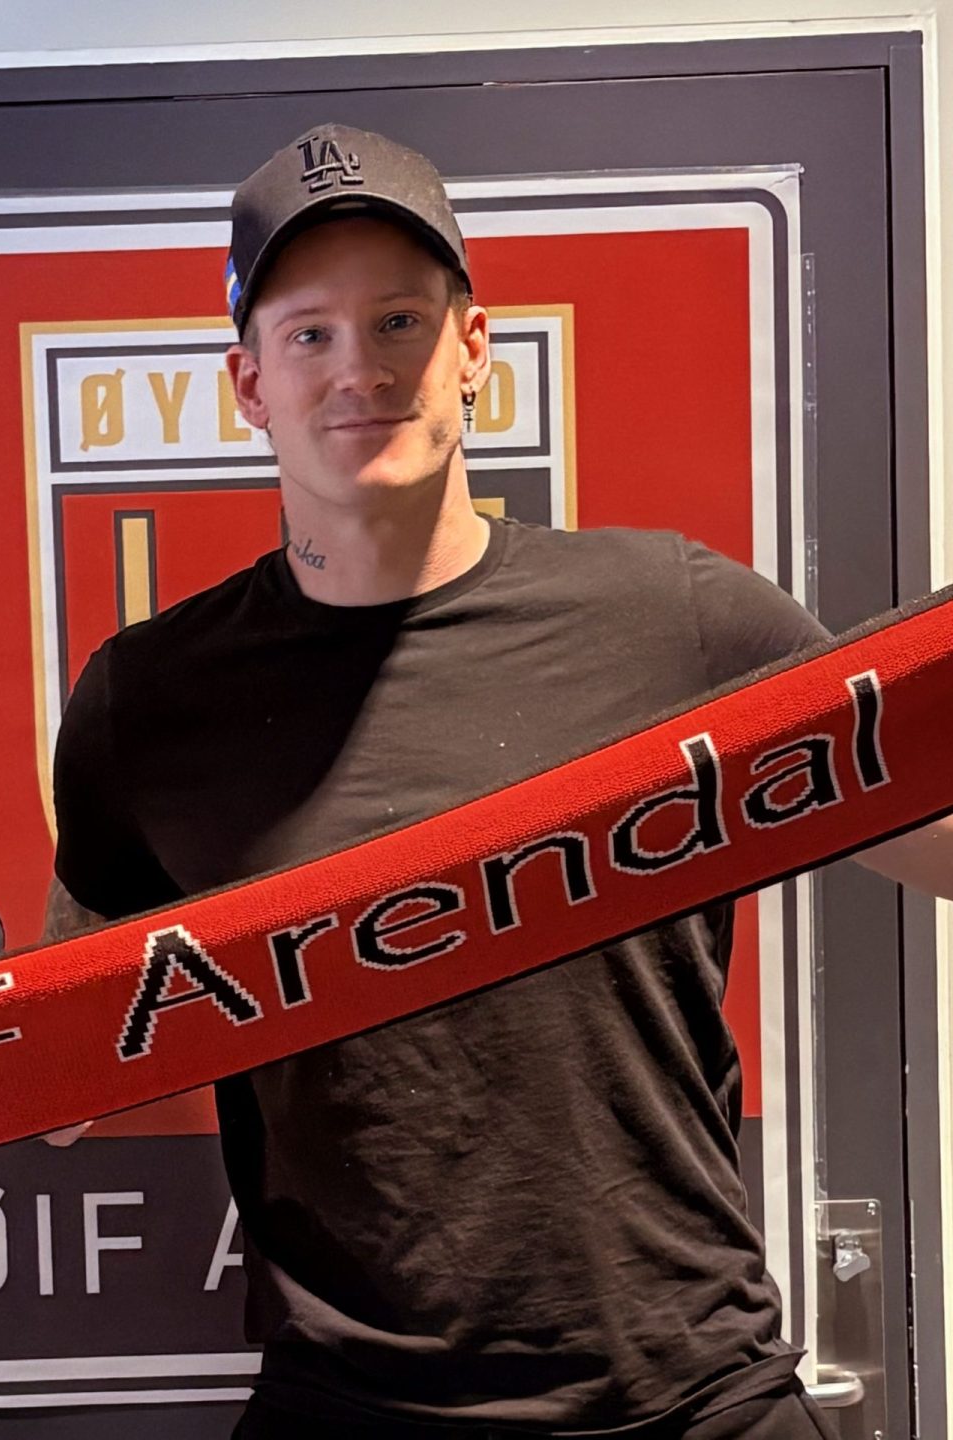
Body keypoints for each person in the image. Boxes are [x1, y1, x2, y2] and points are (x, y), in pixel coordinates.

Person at [48, 124, 951, 1438]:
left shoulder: (674, 619)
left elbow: (934, 836)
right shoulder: (149, 699)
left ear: (475, 348)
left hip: (691, 1397)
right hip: (353, 1407)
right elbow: (71, 1061)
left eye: (400, 321)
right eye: (310, 334)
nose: (361, 368)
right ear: (248, 382)